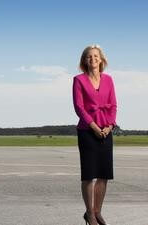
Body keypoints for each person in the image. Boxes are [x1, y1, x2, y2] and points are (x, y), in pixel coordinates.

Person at [72, 45, 117, 225]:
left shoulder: (109, 80)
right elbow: (79, 107)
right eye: (89, 57)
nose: (93, 59)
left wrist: (110, 126)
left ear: (101, 59)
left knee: (104, 174)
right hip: (87, 131)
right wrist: (93, 126)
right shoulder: (79, 80)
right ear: (85, 61)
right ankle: (89, 213)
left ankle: (98, 211)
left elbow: (113, 105)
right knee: (89, 174)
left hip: (106, 130)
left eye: (95, 56)